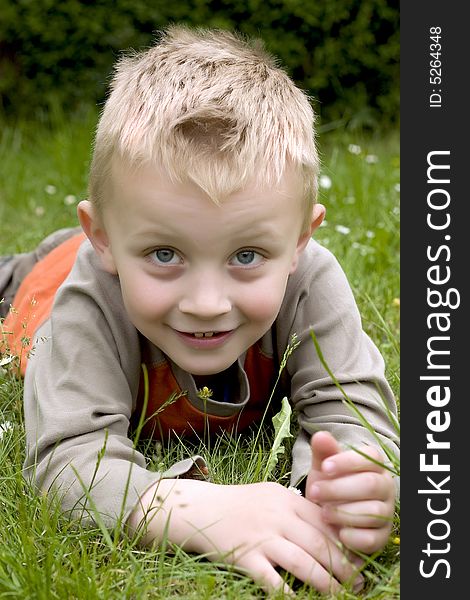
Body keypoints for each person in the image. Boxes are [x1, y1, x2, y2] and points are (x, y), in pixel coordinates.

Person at [0, 25, 399, 595]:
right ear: (106, 239)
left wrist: (352, 482)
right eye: (166, 253)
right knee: (24, 281)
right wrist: (193, 510)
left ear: (300, 241)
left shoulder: (312, 281)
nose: (207, 304)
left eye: (246, 255)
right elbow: (68, 460)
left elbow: (357, 420)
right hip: (50, 284)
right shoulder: (89, 297)